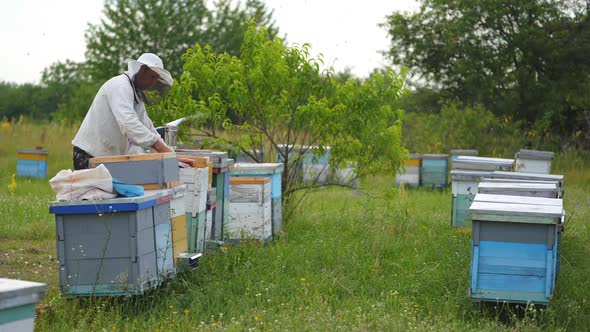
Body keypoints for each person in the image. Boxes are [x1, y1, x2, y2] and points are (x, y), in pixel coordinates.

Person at [72, 52, 194, 169]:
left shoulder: (136, 97)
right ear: (142, 70)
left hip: (105, 159)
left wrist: (171, 155)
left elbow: (148, 128)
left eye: (156, 79)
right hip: (88, 155)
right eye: (152, 77)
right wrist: (163, 150)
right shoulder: (120, 86)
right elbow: (129, 124)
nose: (152, 83)